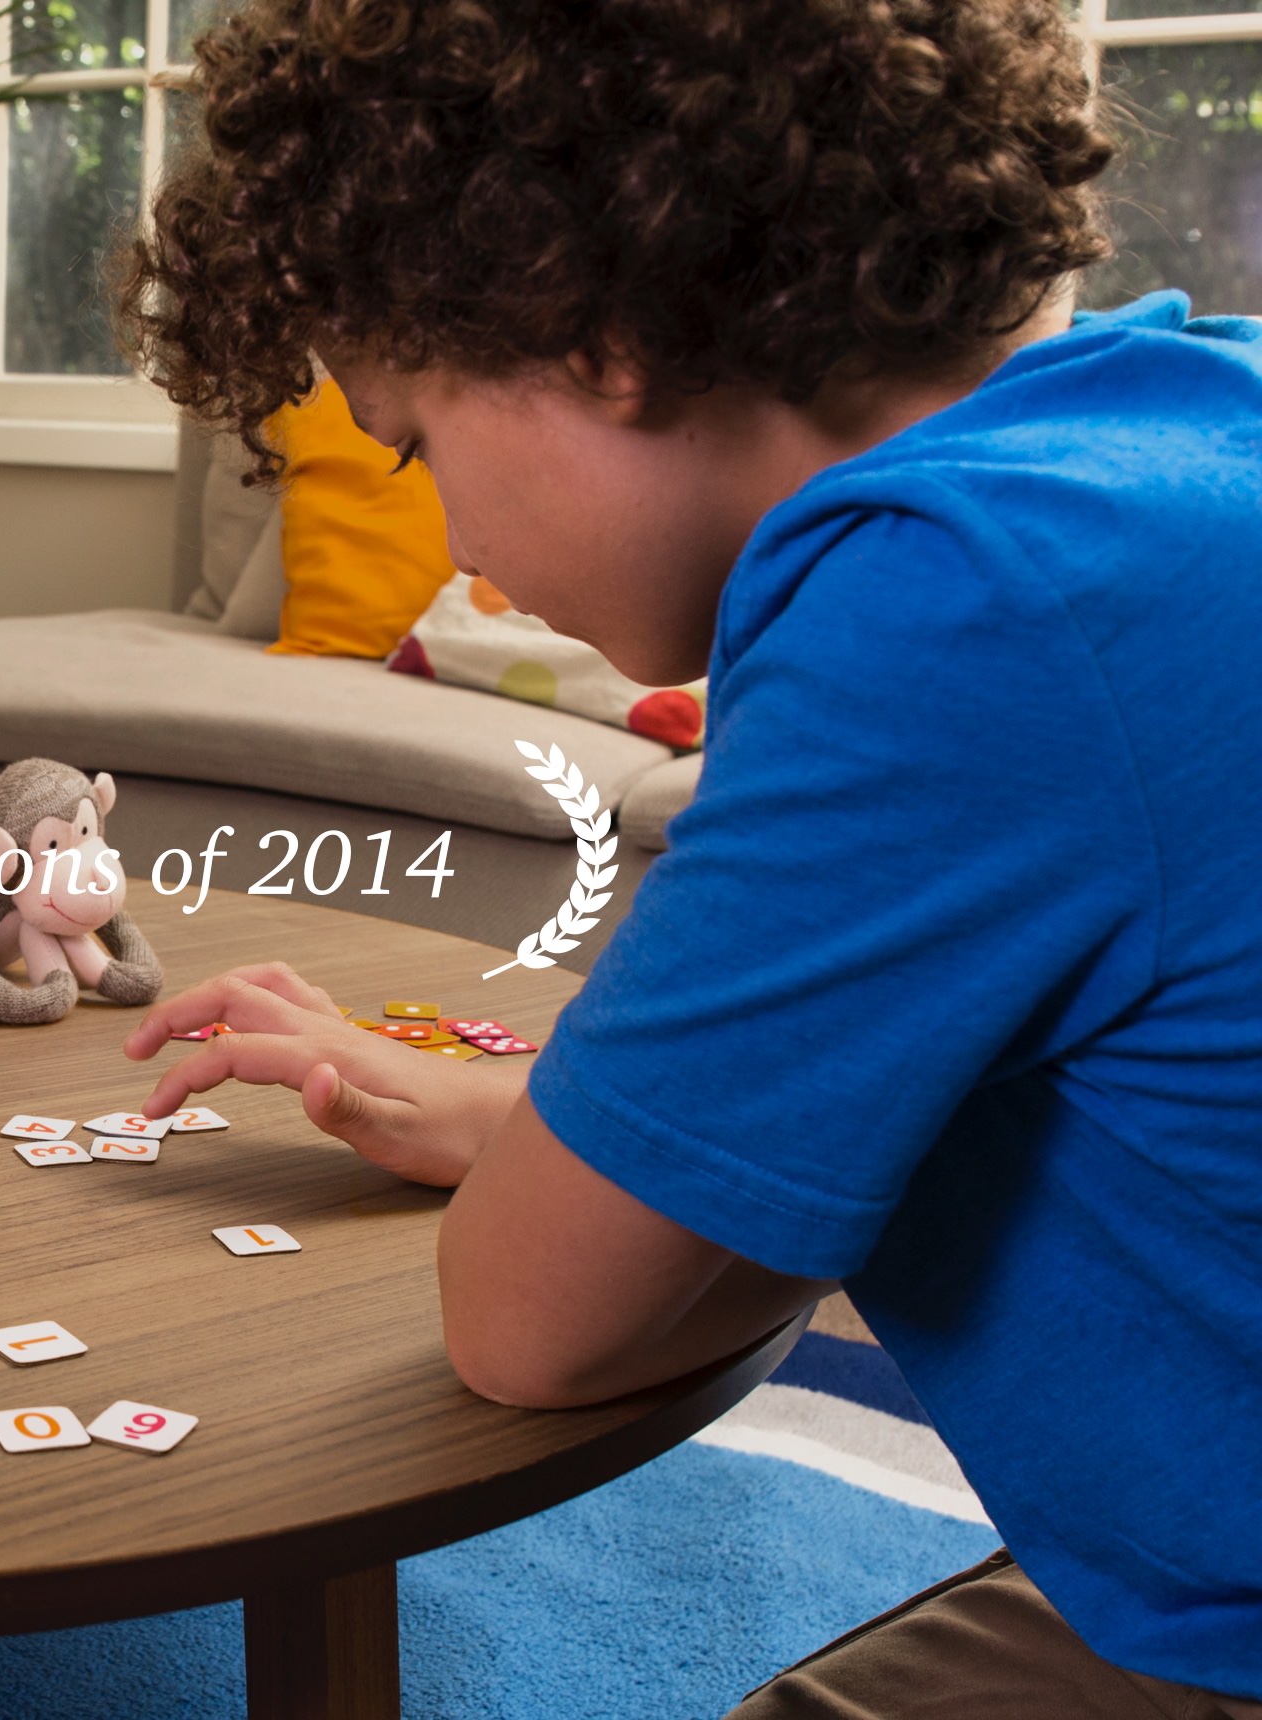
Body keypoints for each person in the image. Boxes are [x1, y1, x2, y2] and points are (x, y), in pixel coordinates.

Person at [113, 2, 1262, 1715]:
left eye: (417, 443)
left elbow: (530, 1328)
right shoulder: (1192, 411)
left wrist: (583, 1180)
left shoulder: (948, 603)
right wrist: (542, 1124)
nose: (466, 555)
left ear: (585, 325)